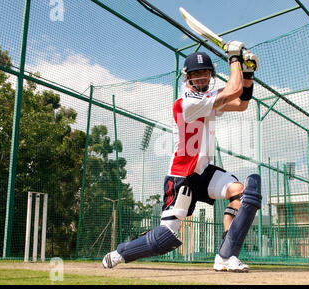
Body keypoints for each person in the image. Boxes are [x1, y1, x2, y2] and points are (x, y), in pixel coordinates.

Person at [103, 41, 261, 272]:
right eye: (195, 75)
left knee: (245, 192)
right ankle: (120, 253)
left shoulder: (206, 100)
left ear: (210, 75)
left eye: (204, 73)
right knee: (164, 237)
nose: (200, 79)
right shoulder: (187, 103)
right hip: (181, 176)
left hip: (203, 172)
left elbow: (241, 103)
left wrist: (247, 73)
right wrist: (235, 58)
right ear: (187, 78)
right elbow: (233, 91)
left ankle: (226, 255)